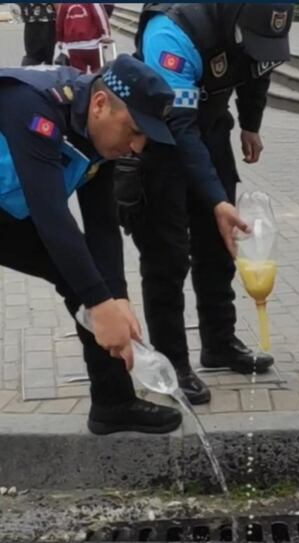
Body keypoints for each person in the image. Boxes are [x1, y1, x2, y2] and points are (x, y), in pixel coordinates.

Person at [0, 54, 182, 435]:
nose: (136, 147)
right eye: (134, 131)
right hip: (24, 207)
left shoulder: (97, 133)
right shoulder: (33, 105)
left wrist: (117, 298)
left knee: (86, 278)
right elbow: (51, 215)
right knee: (89, 287)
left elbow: (102, 226)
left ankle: (113, 403)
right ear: (100, 104)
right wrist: (100, 304)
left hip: (8, 209)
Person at [123, 4, 293, 406]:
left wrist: (250, 124)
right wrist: (215, 199)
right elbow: (179, 127)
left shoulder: (262, 19)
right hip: (160, 139)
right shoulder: (171, 31)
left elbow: (257, 67)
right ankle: (172, 363)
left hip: (211, 127)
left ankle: (219, 342)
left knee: (219, 246)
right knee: (167, 256)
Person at [54, 3, 112, 73]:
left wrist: (60, 40)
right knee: (97, 71)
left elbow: (59, 22)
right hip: (93, 44)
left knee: (77, 73)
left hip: (73, 46)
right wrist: (106, 35)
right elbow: (100, 16)